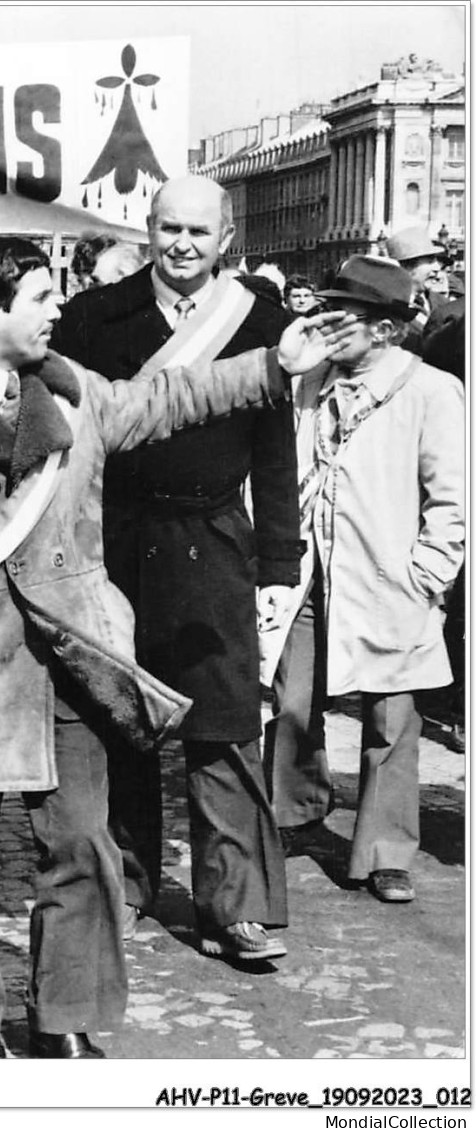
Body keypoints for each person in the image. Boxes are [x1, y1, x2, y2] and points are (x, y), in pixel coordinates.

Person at [0, 235, 344, 1058]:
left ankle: (66, 1013)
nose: (57, 308)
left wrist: (270, 367)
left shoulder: (70, 391)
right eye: (39, 295)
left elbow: (167, 398)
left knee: (81, 844)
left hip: (73, 660)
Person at [52, 175, 299, 962]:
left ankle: (237, 907)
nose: (183, 245)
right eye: (169, 229)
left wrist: (278, 560)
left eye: (199, 231)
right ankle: (125, 882)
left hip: (214, 536)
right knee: (121, 716)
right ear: (148, 230)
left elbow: (276, 451)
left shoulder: (263, 321)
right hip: (118, 537)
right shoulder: (95, 317)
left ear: (225, 237)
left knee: (223, 724)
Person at [262, 255, 465, 905]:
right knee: (292, 698)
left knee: (391, 715)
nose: (323, 323)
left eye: (338, 315)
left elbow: (454, 495)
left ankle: (384, 848)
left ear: (382, 328)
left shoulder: (430, 389)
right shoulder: (307, 381)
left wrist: (427, 571)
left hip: (387, 575)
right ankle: (293, 810)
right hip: (309, 568)